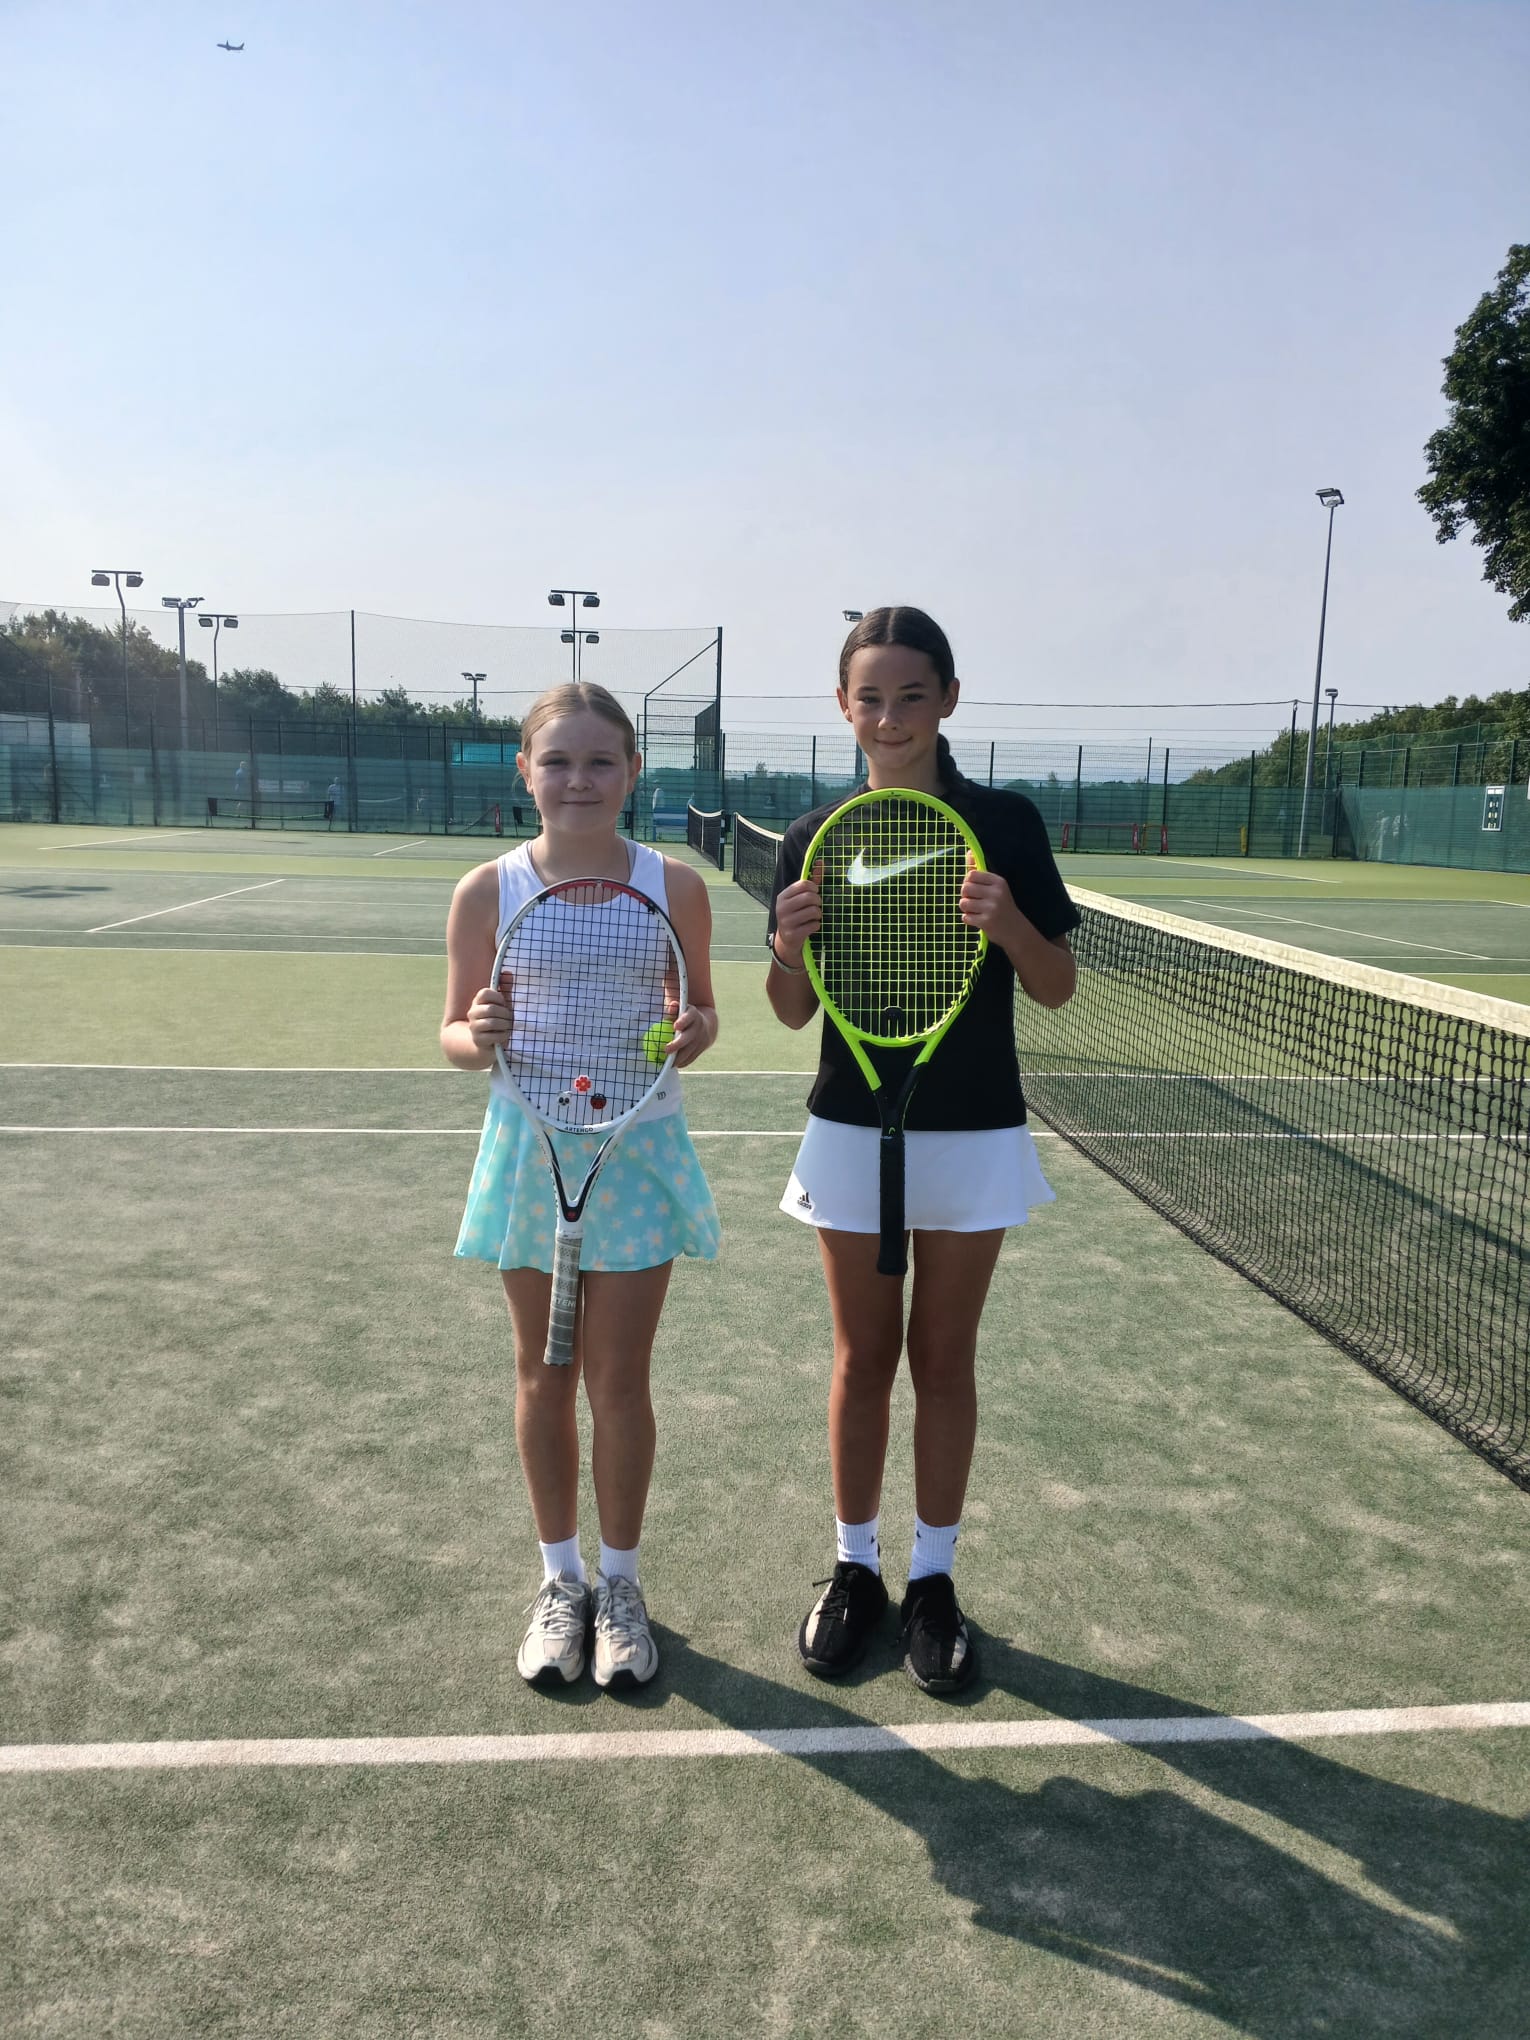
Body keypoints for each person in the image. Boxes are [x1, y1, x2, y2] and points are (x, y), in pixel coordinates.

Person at [766, 607, 1080, 1695]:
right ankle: (855, 1569)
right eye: (870, 697)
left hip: (975, 1129)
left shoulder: (1005, 823)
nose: (890, 717)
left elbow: (1055, 985)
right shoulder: (815, 836)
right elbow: (792, 1012)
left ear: (949, 698)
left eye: (911, 695)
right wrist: (788, 947)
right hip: (852, 1130)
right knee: (863, 1359)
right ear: (843, 706)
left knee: (945, 1362)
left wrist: (1011, 925)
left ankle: (932, 1580)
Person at [440, 681, 721, 1691]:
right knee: (542, 1373)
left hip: (635, 1150)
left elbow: (701, 1013)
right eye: (557, 761)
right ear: (526, 771)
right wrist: (478, 1032)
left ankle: (621, 1583)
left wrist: (692, 1028)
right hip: (531, 1153)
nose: (579, 780)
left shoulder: (674, 886)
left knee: (618, 1379)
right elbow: (454, 1036)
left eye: (601, 761)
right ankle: (561, 1582)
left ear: (633, 772)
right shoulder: (487, 891)